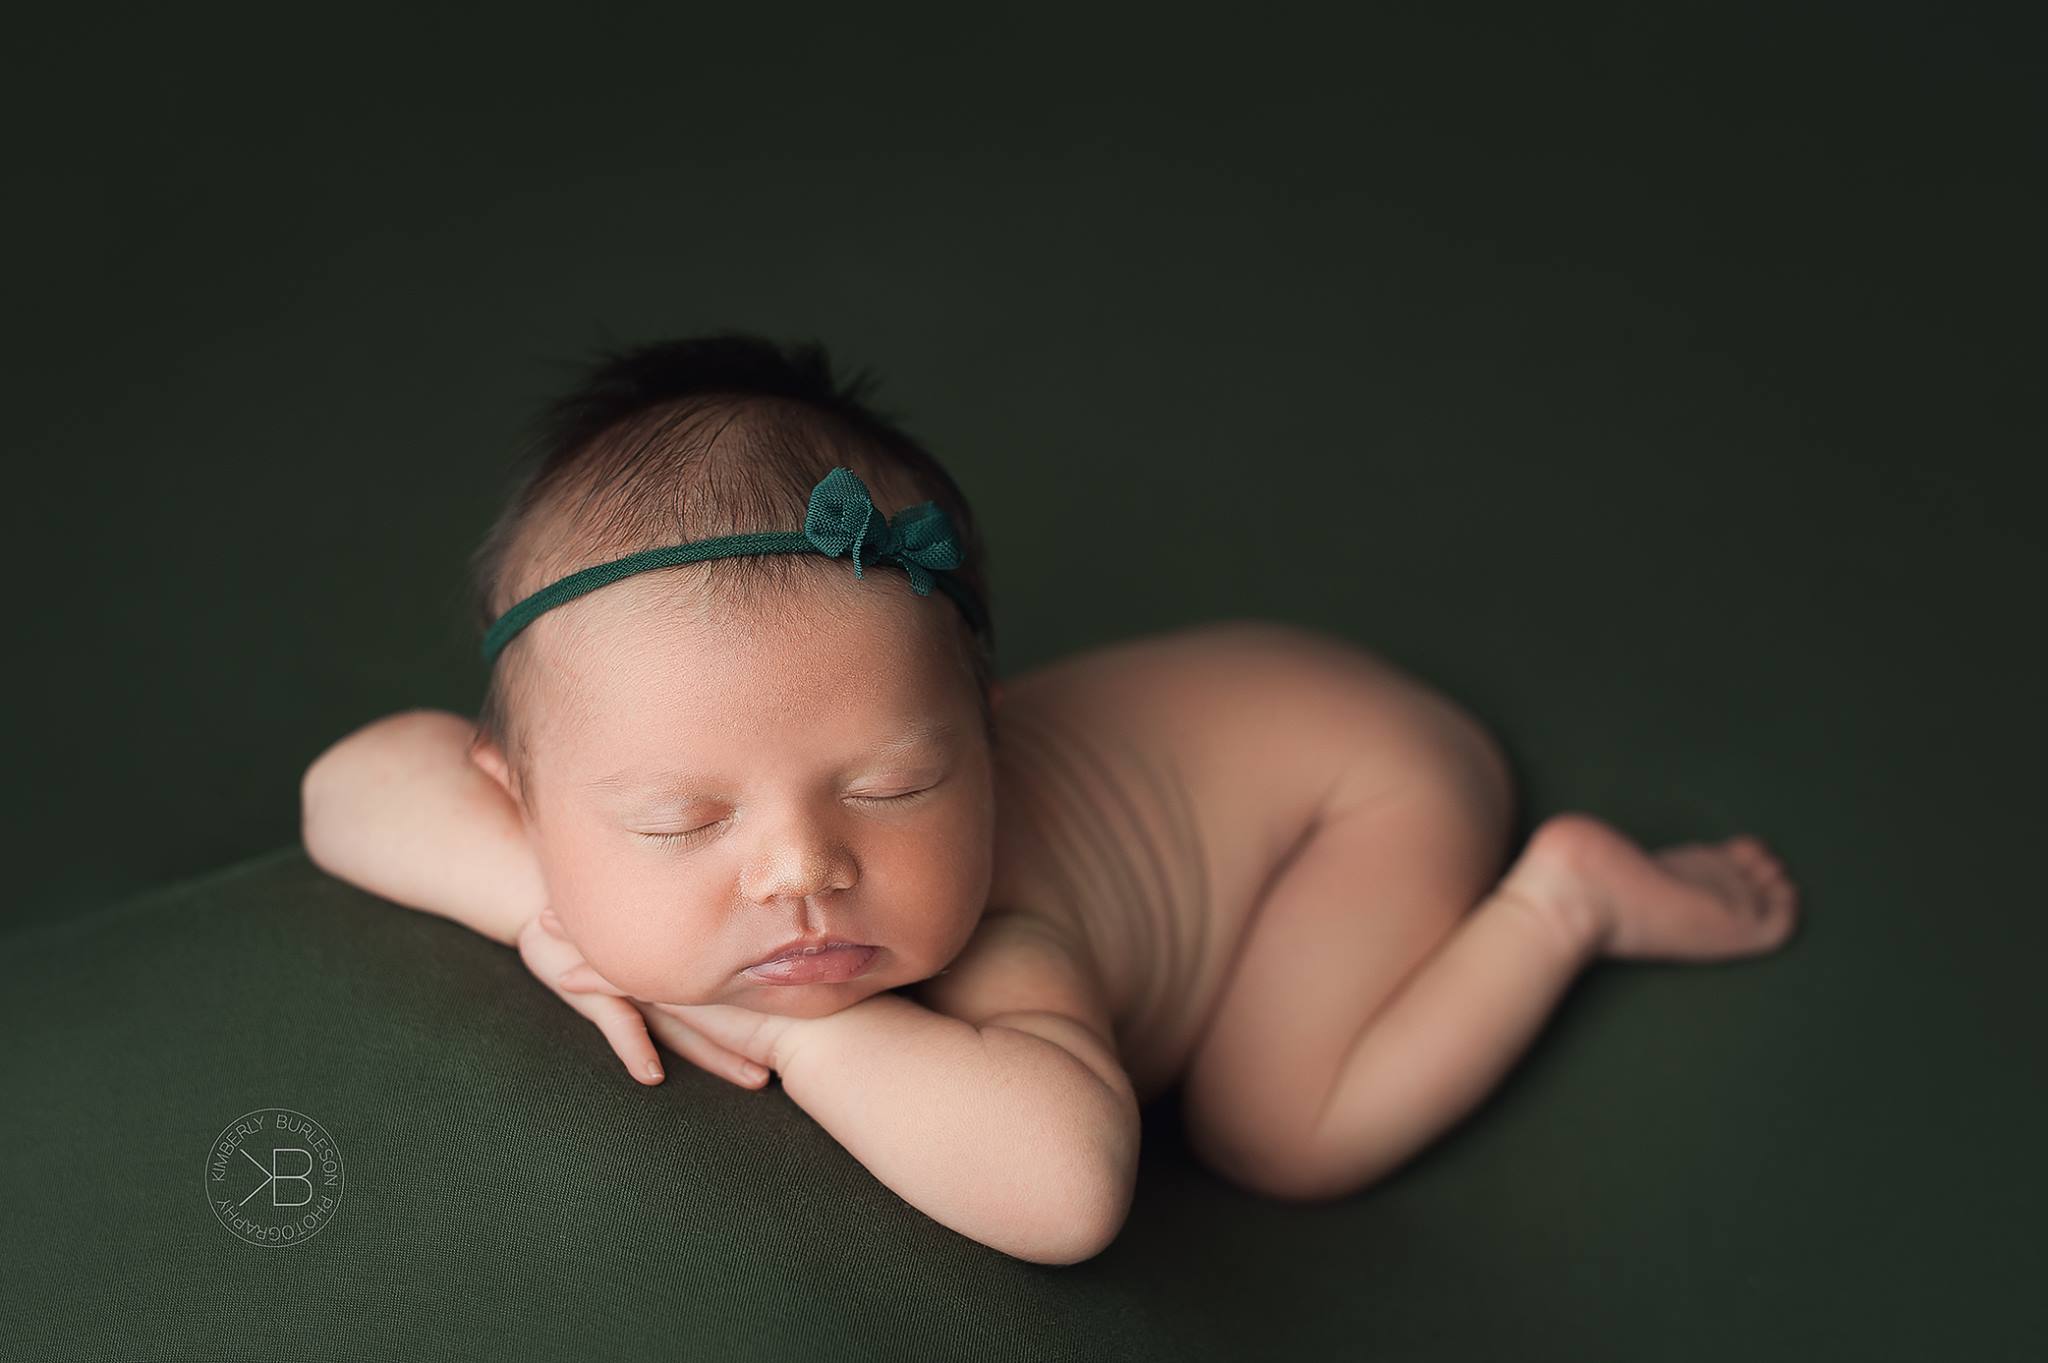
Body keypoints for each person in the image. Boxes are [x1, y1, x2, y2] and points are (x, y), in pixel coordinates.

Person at [299, 330, 1800, 1265]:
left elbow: (1067, 1189)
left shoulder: (1000, 928)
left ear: (987, 740)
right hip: (1235, 710)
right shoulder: (560, 821)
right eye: (683, 823)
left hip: (1353, 787)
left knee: (1286, 1128)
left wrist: (767, 1025)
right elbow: (347, 788)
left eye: (897, 784)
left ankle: (1565, 898)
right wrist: (545, 906)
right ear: (525, 789)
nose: (804, 872)